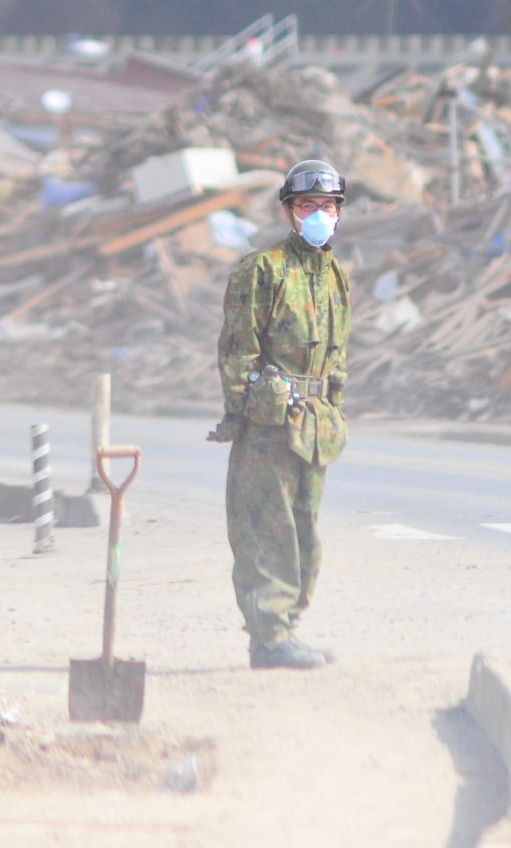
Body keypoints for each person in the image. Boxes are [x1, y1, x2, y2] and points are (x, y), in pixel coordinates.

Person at [212, 158, 352, 670]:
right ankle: (268, 638)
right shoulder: (262, 270)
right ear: (291, 212)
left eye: (327, 206)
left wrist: (333, 408)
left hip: (314, 426)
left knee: (304, 531)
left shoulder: (334, 276)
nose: (319, 214)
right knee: (266, 530)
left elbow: (337, 356)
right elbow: (236, 350)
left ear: (338, 213)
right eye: (308, 205)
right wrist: (246, 406)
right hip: (269, 425)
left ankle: (287, 628)